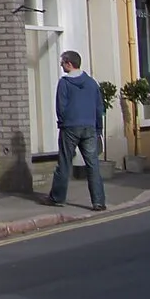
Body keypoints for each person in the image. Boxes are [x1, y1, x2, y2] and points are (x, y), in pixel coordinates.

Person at [46, 50, 107, 211]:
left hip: (70, 128)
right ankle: (98, 201)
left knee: (65, 163)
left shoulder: (64, 83)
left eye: (62, 62)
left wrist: (62, 123)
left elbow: (61, 107)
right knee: (93, 165)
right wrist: (98, 129)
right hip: (90, 127)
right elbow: (99, 107)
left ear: (69, 64)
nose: (61, 65)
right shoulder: (92, 83)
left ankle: (58, 198)